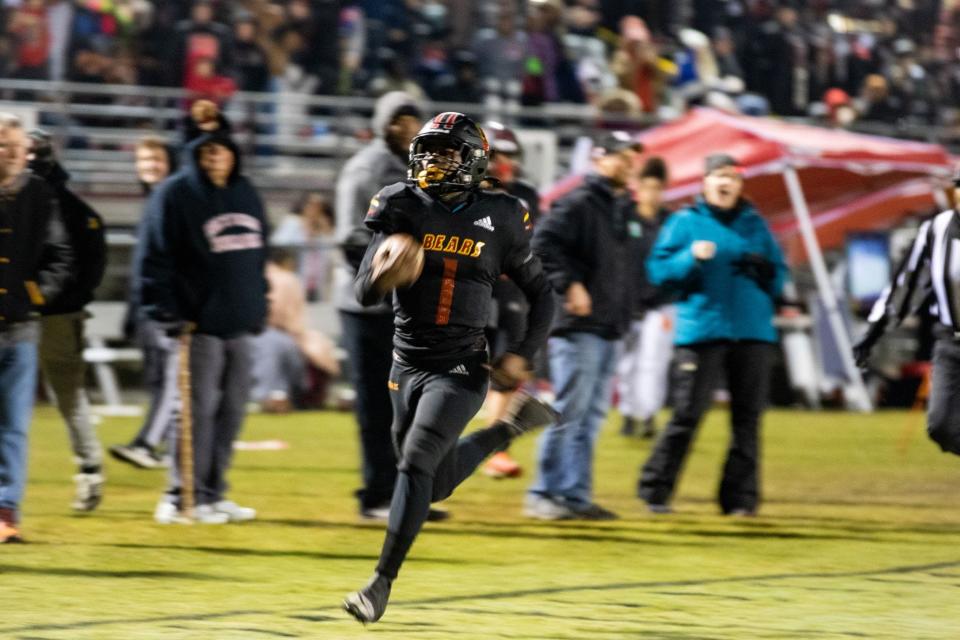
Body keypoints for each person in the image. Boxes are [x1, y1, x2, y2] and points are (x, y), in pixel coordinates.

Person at [342, 112, 556, 624]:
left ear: (474, 159)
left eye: (446, 152)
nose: (433, 161)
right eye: (428, 151)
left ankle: (380, 583)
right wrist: (383, 270)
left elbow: (541, 294)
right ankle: (509, 429)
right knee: (429, 483)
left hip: (461, 366)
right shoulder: (399, 203)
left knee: (415, 463)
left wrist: (524, 351)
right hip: (405, 361)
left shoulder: (503, 214)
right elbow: (363, 294)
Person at [638, 154, 788, 516]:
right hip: (702, 330)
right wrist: (690, 257)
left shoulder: (756, 225)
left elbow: (780, 276)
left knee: (747, 420)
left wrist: (769, 271)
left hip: (752, 331)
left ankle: (740, 500)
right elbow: (658, 272)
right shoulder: (685, 223)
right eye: (719, 176)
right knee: (687, 414)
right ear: (704, 182)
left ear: (740, 184)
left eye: (733, 177)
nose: (727, 183)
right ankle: (655, 490)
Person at [140, 128, 268, 525]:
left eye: (222, 151)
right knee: (195, 412)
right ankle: (180, 498)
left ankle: (212, 494)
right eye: (206, 151)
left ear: (234, 154)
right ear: (194, 154)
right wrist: (167, 313)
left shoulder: (246, 191)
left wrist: (259, 303)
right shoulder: (174, 194)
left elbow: (258, 254)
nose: (215, 158)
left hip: (240, 324)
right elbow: (154, 259)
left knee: (231, 412)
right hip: (196, 324)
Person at [524, 131, 642, 521]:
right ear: (598, 158)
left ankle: (574, 494)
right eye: (620, 156)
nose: (628, 163)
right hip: (578, 324)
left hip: (608, 324)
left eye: (631, 157)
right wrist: (570, 283)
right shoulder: (578, 202)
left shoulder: (621, 207)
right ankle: (544, 493)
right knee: (569, 411)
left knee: (591, 416)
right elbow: (541, 245)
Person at [335, 91, 425, 521]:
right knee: (376, 403)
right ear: (383, 125)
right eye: (398, 121)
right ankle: (375, 494)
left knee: (409, 402)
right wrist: (388, 275)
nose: (406, 129)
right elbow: (351, 239)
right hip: (366, 307)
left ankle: (404, 493)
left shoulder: (417, 170)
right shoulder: (364, 171)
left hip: (402, 306)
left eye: (412, 121)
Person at [0, 114, 74, 543]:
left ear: (28, 151)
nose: (8, 153)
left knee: (13, 426)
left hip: (21, 329)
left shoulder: (41, 195)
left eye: (15, 145)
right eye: (1, 145)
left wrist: (34, 296)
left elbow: (60, 256)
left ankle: (7, 511)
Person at [28, 129, 108, 511]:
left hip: (48, 314)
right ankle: (90, 471)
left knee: (69, 397)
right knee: (69, 398)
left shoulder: (50, 205)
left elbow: (87, 261)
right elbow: (93, 261)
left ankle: (90, 471)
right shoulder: (75, 207)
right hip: (55, 313)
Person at [853, 173, 960, 456]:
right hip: (950, 342)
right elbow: (906, 285)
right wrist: (874, 332)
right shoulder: (936, 230)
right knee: (941, 427)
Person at [111, 136, 178, 470]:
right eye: (143, 160)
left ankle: (148, 444)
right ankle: (166, 447)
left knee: (171, 379)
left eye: (156, 159)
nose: (149, 166)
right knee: (160, 380)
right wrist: (132, 311)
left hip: (165, 308)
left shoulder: (175, 200)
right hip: (147, 309)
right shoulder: (153, 199)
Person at [481, 121, 542, 479]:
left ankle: (495, 448)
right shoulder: (463, 191)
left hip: (511, 290)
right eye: (496, 153)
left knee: (511, 367)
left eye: (509, 153)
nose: (503, 161)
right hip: (471, 288)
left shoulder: (526, 194)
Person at [617, 156, 674, 439]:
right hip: (627, 303)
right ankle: (628, 413)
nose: (652, 193)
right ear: (638, 187)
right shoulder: (625, 217)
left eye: (657, 188)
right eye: (647, 187)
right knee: (627, 364)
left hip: (661, 304)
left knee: (654, 362)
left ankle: (649, 414)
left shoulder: (670, 223)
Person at [251, 249, 340, 411]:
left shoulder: (262, 276)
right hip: (283, 334)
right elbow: (278, 311)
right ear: (287, 262)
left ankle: (274, 396)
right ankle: (275, 396)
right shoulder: (285, 278)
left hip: (269, 333)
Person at [272, 191, 337, 301]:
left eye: (319, 207)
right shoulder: (292, 223)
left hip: (318, 287)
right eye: (311, 205)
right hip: (295, 282)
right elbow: (279, 246)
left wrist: (326, 231)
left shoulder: (326, 231)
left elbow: (334, 257)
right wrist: (304, 230)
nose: (314, 210)